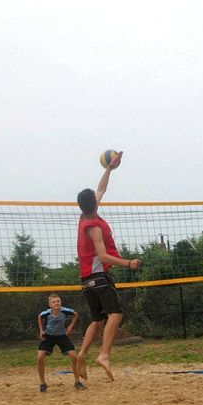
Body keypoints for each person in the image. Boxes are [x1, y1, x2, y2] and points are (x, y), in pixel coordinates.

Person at [76, 151, 141, 382]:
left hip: (86, 280)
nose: (98, 195)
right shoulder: (94, 226)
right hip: (99, 277)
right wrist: (128, 263)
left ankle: (81, 355)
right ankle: (104, 355)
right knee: (115, 315)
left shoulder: (85, 217)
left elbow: (101, 189)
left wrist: (109, 169)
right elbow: (103, 255)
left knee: (97, 320)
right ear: (93, 203)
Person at [37, 293, 84, 392]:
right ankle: (42, 383)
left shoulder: (65, 311)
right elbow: (39, 316)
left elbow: (75, 314)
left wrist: (70, 327)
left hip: (62, 336)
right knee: (40, 357)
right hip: (49, 336)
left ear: (60, 302)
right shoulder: (47, 313)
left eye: (58, 301)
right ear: (50, 304)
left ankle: (77, 381)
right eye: (54, 302)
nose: (56, 303)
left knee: (74, 356)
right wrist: (41, 330)